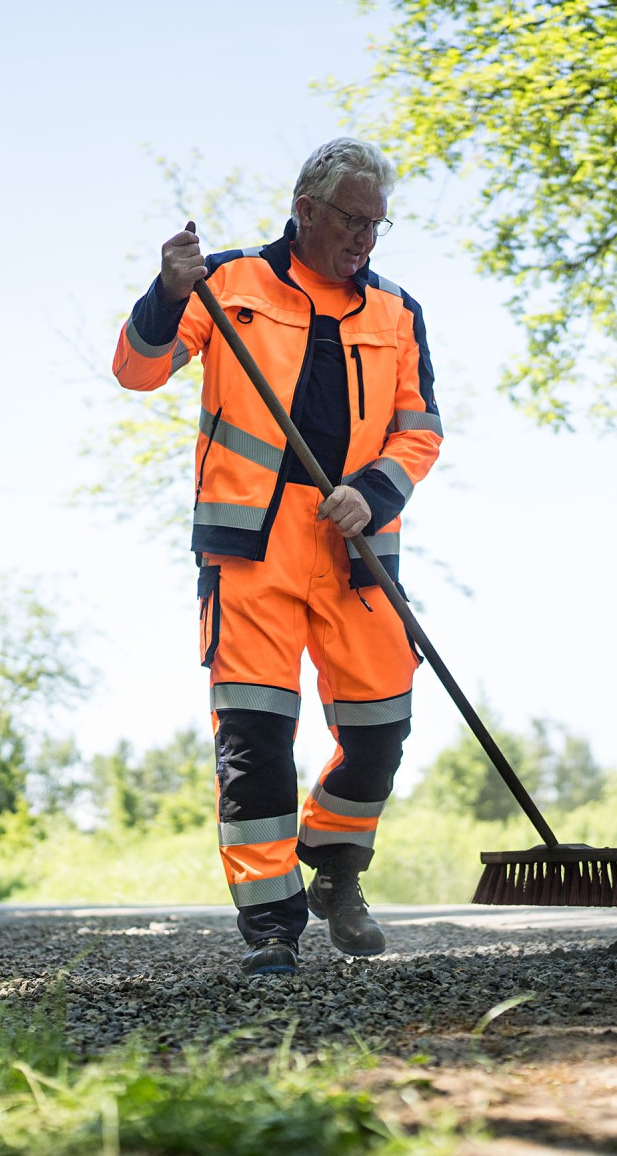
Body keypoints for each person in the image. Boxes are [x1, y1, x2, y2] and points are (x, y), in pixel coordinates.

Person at [113, 138, 443, 976]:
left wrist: (372, 491)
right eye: (351, 219)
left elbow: (420, 430)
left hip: (356, 546)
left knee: (379, 730)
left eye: (377, 223)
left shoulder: (398, 312)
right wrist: (168, 290)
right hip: (251, 549)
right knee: (256, 741)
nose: (366, 238)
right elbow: (137, 369)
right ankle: (270, 925)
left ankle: (333, 864)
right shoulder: (227, 286)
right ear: (305, 211)